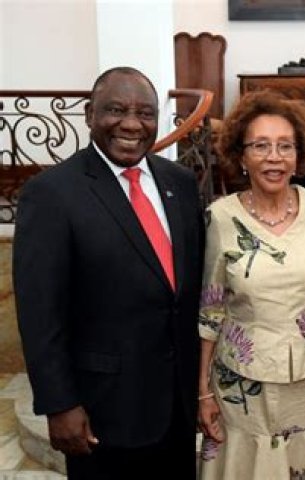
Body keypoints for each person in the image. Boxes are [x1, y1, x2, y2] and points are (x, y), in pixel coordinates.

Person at [13, 66, 204, 479]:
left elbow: (187, 293)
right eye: (116, 110)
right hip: (103, 411)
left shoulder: (181, 183)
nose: (132, 124)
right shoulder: (51, 194)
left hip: (177, 404)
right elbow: (39, 313)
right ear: (90, 114)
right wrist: (59, 403)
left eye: (145, 113)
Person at [197, 90, 305, 479]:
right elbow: (210, 310)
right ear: (241, 156)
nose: (274, 157)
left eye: (285, 146)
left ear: (298, 155)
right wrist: (203, 391)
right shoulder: (220, 217)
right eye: (261, 146)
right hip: (242, 386)